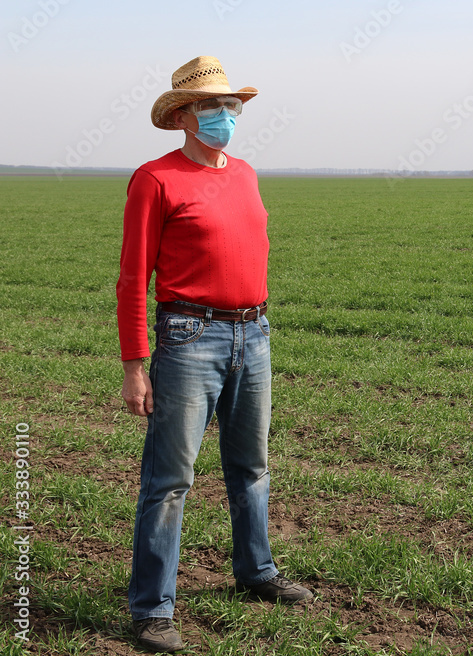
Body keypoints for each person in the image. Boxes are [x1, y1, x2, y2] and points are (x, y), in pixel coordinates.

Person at [116, 55, 312, 653]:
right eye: (210, 106)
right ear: (181, 116)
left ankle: (256, 572)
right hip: (188, 338)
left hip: (253, 335)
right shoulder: (155, 179)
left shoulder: (247, 173)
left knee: (252, 467)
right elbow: (132, 280)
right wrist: (134, 364)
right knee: (170, 479)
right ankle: (152, 610)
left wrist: (253, 329)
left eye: (230, 105)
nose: (224, 114)